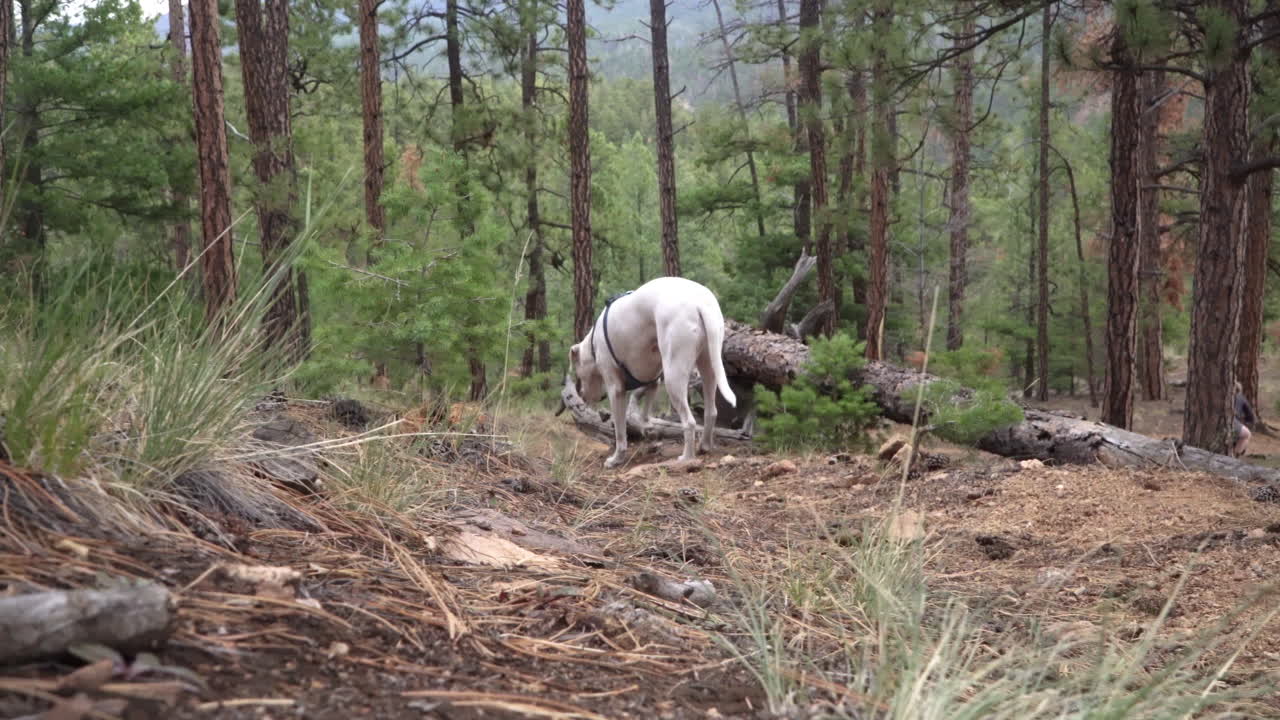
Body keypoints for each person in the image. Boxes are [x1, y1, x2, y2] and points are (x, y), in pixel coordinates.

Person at [1233, 381, 1256, 458]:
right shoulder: (1240, 397)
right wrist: (1246, 421)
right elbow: (1251, 416)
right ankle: (1233, 458)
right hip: (1232, 421)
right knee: (1247, 434)